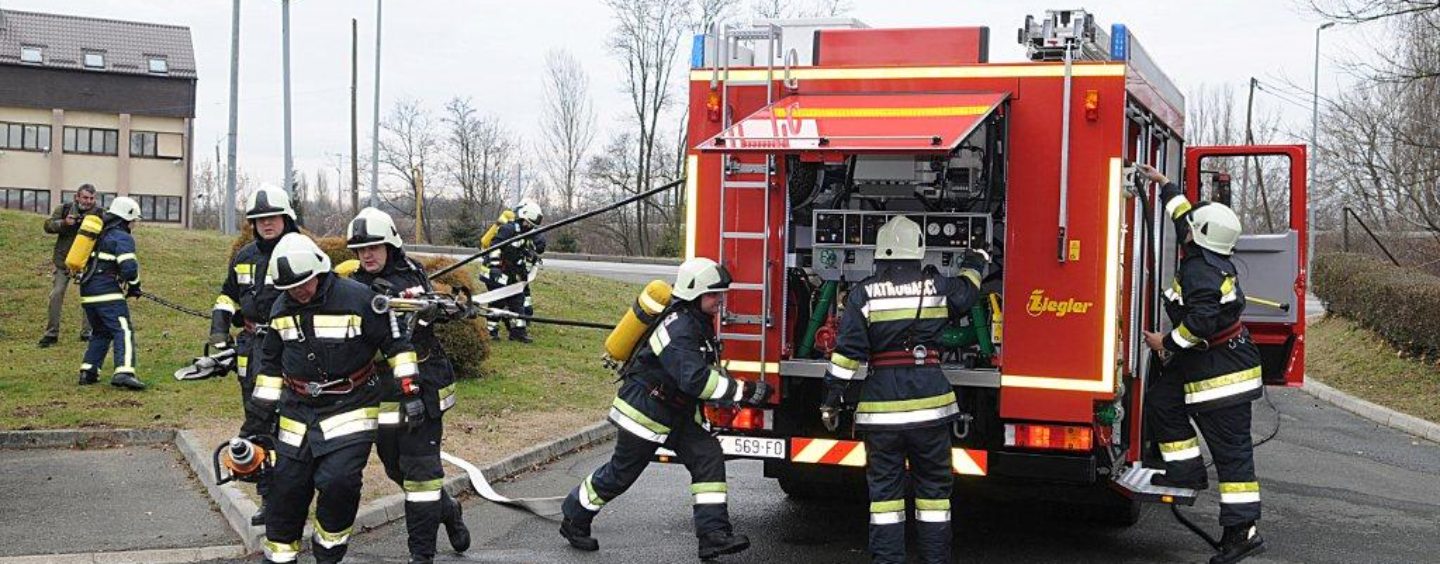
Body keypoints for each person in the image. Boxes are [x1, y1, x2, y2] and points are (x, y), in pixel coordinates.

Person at [559, 257, 766, 560]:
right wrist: (744, 391)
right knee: (621, 473)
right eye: (713, 294)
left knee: (707, 456)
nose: (720, 300)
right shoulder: (679, 328)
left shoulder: (695, 320)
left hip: (672, 411)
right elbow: (695, 380)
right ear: (694, 293)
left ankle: (713, 536)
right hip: (645, 412)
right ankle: (574, 515)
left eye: (720, 294)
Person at [819, 215, 986, 564]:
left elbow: (847, 354)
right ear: (919, 250)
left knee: (885, 498)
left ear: (879, 252)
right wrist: (975, 262)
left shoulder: (863, 294)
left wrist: (831, 399)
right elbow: (968, 292)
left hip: (881, 414)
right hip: (930, 411)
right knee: (934, 495)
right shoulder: (937, 287)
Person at [248, 233, 419, 564]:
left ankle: (328, 552)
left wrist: (409, 390)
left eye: (303, 284)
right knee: (286, 488)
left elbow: (397, 346)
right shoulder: (281, 308)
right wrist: (257, 419)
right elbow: (269, 365)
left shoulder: (358, 299)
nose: (298, 292)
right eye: (289, 288)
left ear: (319, 271)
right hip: (297, 411)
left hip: (351, 407)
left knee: (339, 481)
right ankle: (280, 557)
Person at [1137, 163, 1265, 564]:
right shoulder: (1203, 249)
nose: (1186, 226)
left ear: (1200, 235)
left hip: (1223, 374)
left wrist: (1164, 342)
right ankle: (1186, 471)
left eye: (1192, 225)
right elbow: (1184, 216)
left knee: (1232, 455)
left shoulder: (1201, 272)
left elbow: (1201, 323)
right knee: (1162, 403)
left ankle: (1242, 532)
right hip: (1205, 361)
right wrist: (1165, 185)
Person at [346, 208, 470, 563]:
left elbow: (430, 313)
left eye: (373, 247)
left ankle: (421, 555)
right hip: (382, 391)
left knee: (421, 474)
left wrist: (437, 310)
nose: (367, 255)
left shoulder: (411, 276)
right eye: (361, 250)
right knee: (394, 466)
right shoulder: (353, 285)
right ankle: (448, 510)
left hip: (422, 386)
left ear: (390, 246)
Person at [210, 185, 300, 526]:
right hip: (251, 349)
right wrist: (219, 332)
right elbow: (227, 296)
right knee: (258, 422)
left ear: (286, 218)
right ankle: (269, 499)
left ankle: (294, 494)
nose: (266, 223)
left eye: (273, 217)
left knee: (288, 423)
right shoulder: (244, 256)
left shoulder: (299, 251)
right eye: (260, 219)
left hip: (289, 349)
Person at [76, 196, 146, 390]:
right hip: (107, 293)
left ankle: (88, 371)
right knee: (123, 330)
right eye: (134, 220)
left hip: (88, 292)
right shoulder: (121, 237)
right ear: (126, 218)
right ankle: (124, 372)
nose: (134, 224)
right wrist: (135, 286)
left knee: (101, 331)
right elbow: (129, 268)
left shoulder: (99, 234)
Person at [39, 184, 103, 347]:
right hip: (63, 262)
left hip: (87, 263)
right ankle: (51, 334)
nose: (88, 201)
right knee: (56, 294)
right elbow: (48, 226)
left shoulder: (100, 213)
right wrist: (64, 223)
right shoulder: (64, 209)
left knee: (89, 297)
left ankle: (87, 333)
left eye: (92, 198)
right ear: (77, 197)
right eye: (85, 197)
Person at [483, 201, 545, 343]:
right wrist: (495, 267)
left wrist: (530, 260)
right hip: (496, 272)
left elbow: (523, 252)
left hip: (511, 274)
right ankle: (491, 332)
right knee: (497, 302)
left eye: (531, 225)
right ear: (522, 218)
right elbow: (494, 247)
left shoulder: (525, 234)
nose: (529, 227)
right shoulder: (508, 229)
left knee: (518, 301)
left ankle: (518, 332)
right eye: (527, 223)